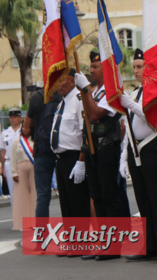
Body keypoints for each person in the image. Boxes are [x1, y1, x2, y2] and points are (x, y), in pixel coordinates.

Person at [117, 49, 157, 263]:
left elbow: (152, 116)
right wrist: (124, 157)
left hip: (155, 146)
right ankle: (149, 246)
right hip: (137, 149)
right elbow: (129, 126)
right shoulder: (135, 93)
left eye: (139, 66)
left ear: (149, 68)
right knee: (143, 200)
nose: (135, 71)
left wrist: (130, 103)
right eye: (134, 67)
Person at [75, 51, 129, 237]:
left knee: (109, 195)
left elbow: (97, 114)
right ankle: (103, 238)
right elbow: (87, 123)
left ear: (106, 70)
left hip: (107, 148)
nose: (91, 70)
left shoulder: (111, 92)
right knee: (96, 196)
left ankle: (113, 241)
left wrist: (85, 90)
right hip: (92, 149)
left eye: (95, 67)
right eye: (90, 66)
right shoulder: (94, 92)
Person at [51, 74, 90, 218]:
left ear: (72, 81)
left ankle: (81, 240)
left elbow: (85, 132)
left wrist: (81, 160)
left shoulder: (78, 99)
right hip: (61, 160)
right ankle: (71, 240)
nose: (58, 85)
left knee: (78, 207)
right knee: (66, 209)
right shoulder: (63, 102)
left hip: (74, 159)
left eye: (61, 80)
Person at [25, 85, 58, 217]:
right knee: (70, 194)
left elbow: (26, 127)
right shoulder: (65, 94)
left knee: (43, 195)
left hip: (42, 149)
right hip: (62, 150)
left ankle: (42, 233)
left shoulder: (37, 97)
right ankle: (75, 231)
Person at [10, 114, 35, 231]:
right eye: (24, 127)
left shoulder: (36, 140)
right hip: (20, 169)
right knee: (22, 197)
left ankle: (35, 221)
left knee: (35, 195)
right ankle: (22, 223)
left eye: (28, 127)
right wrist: (14, 172)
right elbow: (13, 158)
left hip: (34, 168)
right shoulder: (17, 141)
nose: (25, 130)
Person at [1, 105, 22, 205]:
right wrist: (3, 168)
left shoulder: (24, 131)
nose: (12, 119)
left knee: (24, 190)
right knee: (13, 191)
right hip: (9, 163)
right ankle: (16, 217)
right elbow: (3, 152)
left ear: (20, 118)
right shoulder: (5, 133)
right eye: (11, 117)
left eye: (15, 117)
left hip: (22, 162)